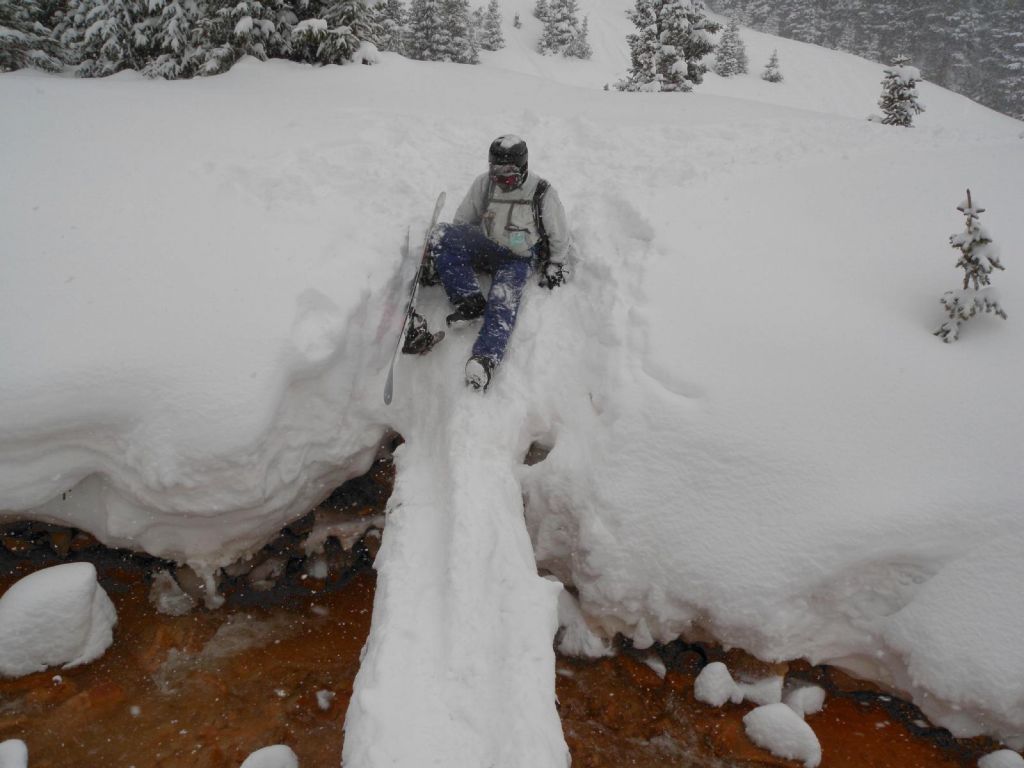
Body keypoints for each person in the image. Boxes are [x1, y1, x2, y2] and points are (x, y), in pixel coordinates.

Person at [423, 134, 571, 391]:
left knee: (503, 301)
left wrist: (556, 263)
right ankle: (469, 300)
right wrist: (452, 252)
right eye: (496, 170)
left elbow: (559, 233)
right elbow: (462, 220)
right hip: (488, 245)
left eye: (509, 171)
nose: (501, 177)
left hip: (518, 257)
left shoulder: (542, 193)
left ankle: (485, 359)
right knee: (442, 233)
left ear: (523, 168)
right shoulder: (484, 184)